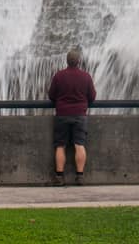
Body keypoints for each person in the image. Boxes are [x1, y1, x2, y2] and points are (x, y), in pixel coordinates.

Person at [47, 48, 96, 186]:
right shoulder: (86, 76)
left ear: (66, 61)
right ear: (78, 62)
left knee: (60, 146)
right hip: (80, 114)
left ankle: (60, 177)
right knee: (79, 145)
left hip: (62, 114)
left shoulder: (59, 76)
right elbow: (92, 96)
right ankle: (80, 176)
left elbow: (51, 95)